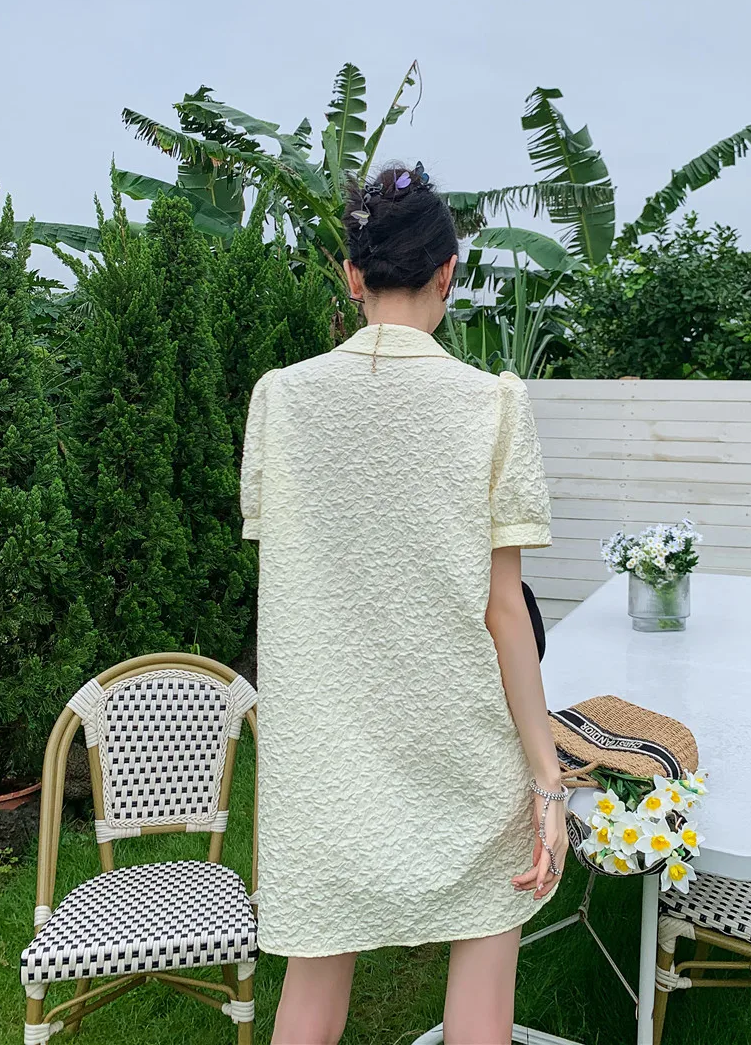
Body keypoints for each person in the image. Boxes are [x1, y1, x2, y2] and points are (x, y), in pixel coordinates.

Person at [239, 163, 569, 1045]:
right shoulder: (493, 405)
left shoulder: (281, 401)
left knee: (310, 992)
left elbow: (304, 576)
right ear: (447, 273)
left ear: (352, 277)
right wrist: (548, 781)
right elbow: (506, 611)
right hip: (461, 745)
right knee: (483, 996)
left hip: (324, 760)